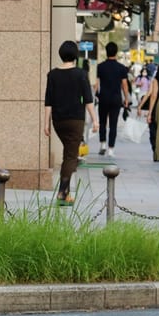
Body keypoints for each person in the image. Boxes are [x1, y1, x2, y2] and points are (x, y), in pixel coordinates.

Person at [43, 40, 99, 204]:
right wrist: (95, 120)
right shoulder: (81, 74)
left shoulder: (52, 74)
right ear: (75, 55)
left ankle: (65, 192)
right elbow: (88, 100)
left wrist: (46, 123)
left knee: (69, 152)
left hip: (58, 121)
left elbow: (48, 101)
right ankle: (62, 192)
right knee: (71, 156)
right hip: (75, 119)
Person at [95, 42, 130, 157]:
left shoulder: (100, 67)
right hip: (116, 99)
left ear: (106, 51)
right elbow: (124, 85)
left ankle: (103, 144)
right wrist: (126, 98)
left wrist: (96, 95)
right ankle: (111, 149)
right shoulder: (121, 68)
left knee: (103, 122)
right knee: (113, 124)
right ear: (116, 52)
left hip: (103, 98)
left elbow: (97, 83)